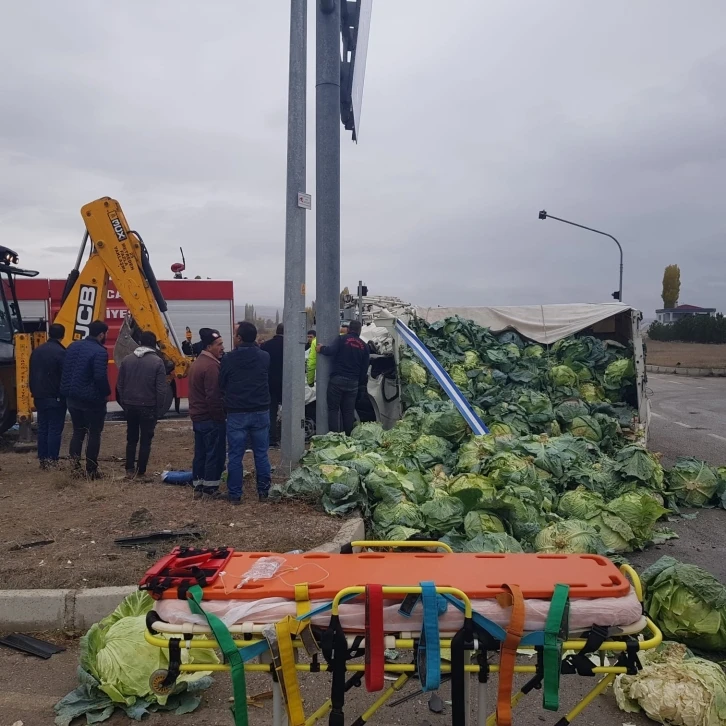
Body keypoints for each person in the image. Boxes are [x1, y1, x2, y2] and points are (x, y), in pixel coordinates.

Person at [220, 321, 272, 504]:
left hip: (237, 412)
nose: (233, 338)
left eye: (235, 335)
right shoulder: (264, 356)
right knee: (261, 453)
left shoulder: (228, 358)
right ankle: (264, 492)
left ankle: (235, 495)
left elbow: (222, 382)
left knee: (235, 454)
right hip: (260, 410)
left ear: (240, 338)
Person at [60, 320, 111, 478]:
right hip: (91, 401)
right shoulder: (100, 351)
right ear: (101, 334)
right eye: (106, 334)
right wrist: (106, 393)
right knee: (94, 433)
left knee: (77, 432)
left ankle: (74, 468)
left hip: (72, 398)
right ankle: (91, 470)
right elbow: (99, 376)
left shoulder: (72, 346)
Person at [116, 330, 167, 480]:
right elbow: (161, 390)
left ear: (139, 343)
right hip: (148, 406)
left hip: (130, 405)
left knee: (131, 438)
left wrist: (125, 403)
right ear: (154, 345)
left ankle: (129, 469)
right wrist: (158, 408)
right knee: (146, 440)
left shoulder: (127, 360)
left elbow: (120, 385)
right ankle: (141, 471)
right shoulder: (157, 362)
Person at [188, 329, 226, 498]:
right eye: (219, 345)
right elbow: (213, 397)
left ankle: (198, 485)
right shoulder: (211, 367)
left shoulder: (198, 362)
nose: (222, 348)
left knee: (201, 453)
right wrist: (220, 417)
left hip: (198, 417)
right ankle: (210, 488)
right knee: (213, 453)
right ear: (209, 346)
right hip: (209, 418)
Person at [316, 319, 370, 435]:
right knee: (348, 412)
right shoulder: (364, 346)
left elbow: (331, 351)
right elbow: (364, 369)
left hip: (337, 380)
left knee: (333, 410)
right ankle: (348, 437)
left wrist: (321, 349)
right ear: (359, 331)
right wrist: (357, 382)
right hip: (353, 383)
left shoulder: (342, 339)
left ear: (349, 329)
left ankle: (334, 436)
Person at [29, 323, 67, 469]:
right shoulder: (61, 352)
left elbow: (31, 373)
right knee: (54, 429)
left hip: (39, 396)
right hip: (55, 397)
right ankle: (53, 460)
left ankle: (43, 460)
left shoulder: (37, 351)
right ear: (62, 335)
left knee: (43, 428)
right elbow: (65, 376)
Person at [261, 323, 283, 448]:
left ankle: (272, 439)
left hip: (269, 383)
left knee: (271, 412)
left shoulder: (266, 345)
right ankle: (289, 436)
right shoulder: (291, 346)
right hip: (287, 383)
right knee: (291, 411)